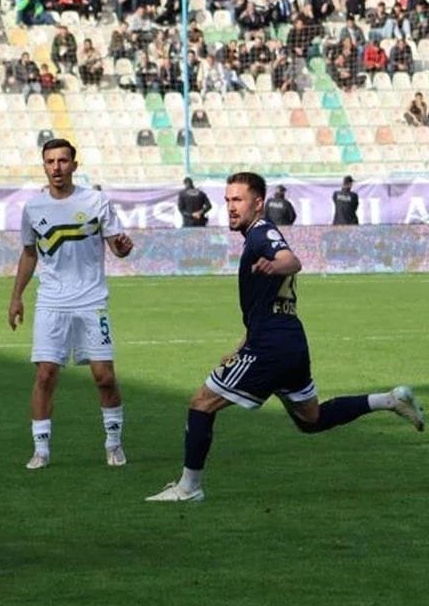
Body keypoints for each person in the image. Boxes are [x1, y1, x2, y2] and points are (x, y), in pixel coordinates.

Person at [146, 172, 424, 502]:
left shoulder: (262, 232)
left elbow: (291, 260)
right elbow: (268, 304)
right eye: (227, 200)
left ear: (258, 203)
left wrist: (278, 266)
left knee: (202, 404)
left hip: (271, 346)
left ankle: (189, 488)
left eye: (238, 200)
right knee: (312, 419)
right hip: (289, 339)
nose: (231, 207)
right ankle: (389, 400)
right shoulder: (257, 236)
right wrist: (241, 346)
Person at [8, 139, 134, 470]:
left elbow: (118, 248)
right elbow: (29, 252)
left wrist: (124, 247)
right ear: (44, 166)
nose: (57, 167)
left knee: (104, 376)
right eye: (50, 161)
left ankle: (114, 443)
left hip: (92, 300)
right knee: (46, 374)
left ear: (74, 166)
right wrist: (16, 296)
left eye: (63, 161)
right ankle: (41, 450)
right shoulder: (33, 208)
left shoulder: (96, 201)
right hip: (51, 301)